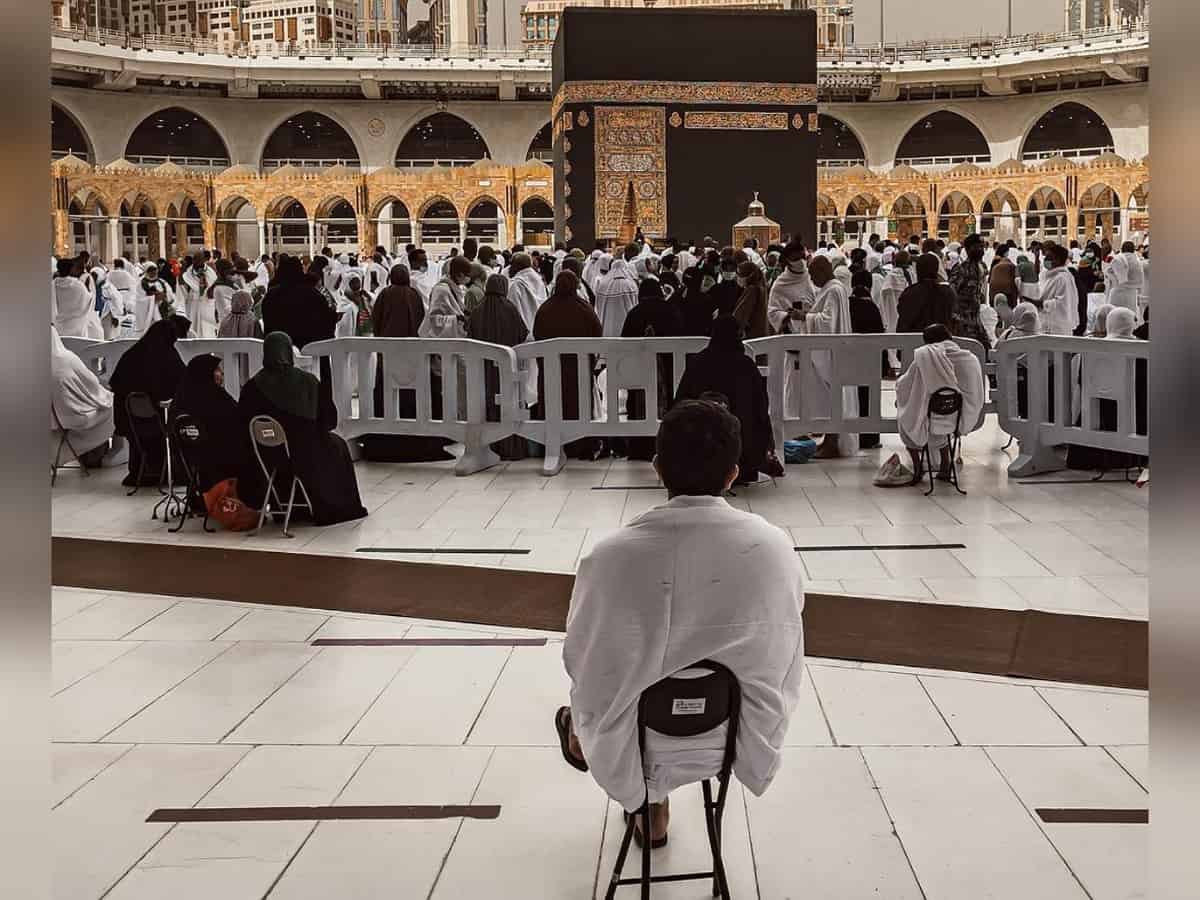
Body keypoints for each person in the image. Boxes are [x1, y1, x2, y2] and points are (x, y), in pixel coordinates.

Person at [555, 398, 805, 842]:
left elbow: (584, 660)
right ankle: (651, 796)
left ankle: (646, 805)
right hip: (734, 738)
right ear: (732, 474)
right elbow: (783, 654)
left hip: (636, 740)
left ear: (657, 468)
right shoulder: (774, 549)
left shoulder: (610, 557)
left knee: (597, 684)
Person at [238, 333, 367, 526]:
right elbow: (329, 420)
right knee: (337, 446)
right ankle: (333, 505)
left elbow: (243, 423)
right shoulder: (308, 382)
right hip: (306, 455)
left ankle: (288, 506)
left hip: (268, 457)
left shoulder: (252, 387)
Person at [674, 316, 774, 484]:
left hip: (698, 456)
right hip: (742, 458)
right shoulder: (746, 366)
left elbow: (680, 404)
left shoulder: (697, 363)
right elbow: (762, 409)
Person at [893, 324, 985, 485]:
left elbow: (905, 384)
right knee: (942, 418)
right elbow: (977, 391)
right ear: (950, 337)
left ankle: (918, 469)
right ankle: (945, 465)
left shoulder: (926, 356)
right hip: (960, 416)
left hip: (932, 416)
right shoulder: (969, 359)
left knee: (907, 418)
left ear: (928, 341)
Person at [532, 270, 604, 460]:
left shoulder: (545, 309)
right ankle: (578, 445)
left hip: (550, 370)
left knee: (553, 404)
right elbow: (597, 333)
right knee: (578, 405)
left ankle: (552, 444)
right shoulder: (584, 308)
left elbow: (537, 335)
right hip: (578, 370)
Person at [108, 318, 188, 487]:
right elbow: (183, 385)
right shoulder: (168, 357)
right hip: (159, 422)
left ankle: (140, 471)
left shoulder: (130, 356)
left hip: (131, 422)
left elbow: (115, 385)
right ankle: (174, 471)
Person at [1065, 308, 1147, 473]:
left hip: (1098, 416)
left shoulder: (1094, 349)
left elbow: (1083, 383)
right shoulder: (1142, 350)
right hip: (1134, 419)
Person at [467, 274, 531, 460]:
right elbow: (522, 334)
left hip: (484, 370)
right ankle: (511, 448)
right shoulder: (509, 309)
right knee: (510, 404)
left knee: (486, 405)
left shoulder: (478, 310)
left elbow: (470, 336)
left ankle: (489, 446)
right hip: (507, 368)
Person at [799, 255, 858, 459]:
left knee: (833, 396)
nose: (812, 279)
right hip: (832, 352)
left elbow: (827, 322)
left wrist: (804, 316)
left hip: (832, 352)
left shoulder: (833, 289)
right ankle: (828, 440)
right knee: (830, 397)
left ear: (823, 271)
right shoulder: (832, 288)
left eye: (813, 274)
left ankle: (833, 443)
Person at [170, 354, 252, 493]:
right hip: (218, 457)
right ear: (207, 373)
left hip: (190, 457)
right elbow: (237, 421)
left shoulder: (182, 397)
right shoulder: (216, 397)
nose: (222, 373)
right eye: (218, 370)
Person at [51, 325, 116, 469]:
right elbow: (92, 386)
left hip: (48, 419)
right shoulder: (67, 359)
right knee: (112, 405)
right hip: (72, 417)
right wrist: (106, 394)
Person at [261, 255, 339, 351]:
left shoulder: (271, 296)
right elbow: (326, 320)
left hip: (279, 350)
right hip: (311, 350)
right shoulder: (313, 294)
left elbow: (268, 325)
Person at [849, 270, 886, 449]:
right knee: (869, 399)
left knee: (852, 397)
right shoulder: (872, 308)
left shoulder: (848, 305)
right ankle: (870, 438)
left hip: (850, 359)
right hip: (870, 361)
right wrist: (884, 364)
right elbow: (880, 336)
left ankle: (852, 435)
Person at [947, 234, 991, 348]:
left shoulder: (982, 267)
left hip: (976, 317)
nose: (981, 250)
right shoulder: (961, 269)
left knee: (986, 349)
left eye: (982, 246)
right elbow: (951, 293)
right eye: (977, 246)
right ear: (968, 249)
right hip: (963, 320)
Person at [897, 253, 956, 334]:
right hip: (941, 339)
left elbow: (903, 324)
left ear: (918, 270)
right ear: (936, 270)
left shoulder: (909, 293)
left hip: (912, 339)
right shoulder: (947, 293)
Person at [418, 255, 472, 339]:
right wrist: (457, 319)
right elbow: (434, 320)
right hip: (436, 340)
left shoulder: (454, 288)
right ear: (460, 275)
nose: (469, 278)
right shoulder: (441, 290)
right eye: (468, 275)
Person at [1031, 242, 1079, 336]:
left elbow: (1063, 303)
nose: (1046, 260)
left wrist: (1042, 304)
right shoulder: (1050, 275)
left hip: (1058, 327)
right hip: (1048, 323)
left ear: (1057, 260)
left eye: (1049, 257)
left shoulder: (1063, 277)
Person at [767, 242, 815, 334]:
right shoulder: (780, 284)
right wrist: (789, 316)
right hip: (792, 334)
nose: (801, 261)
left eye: (803, 257)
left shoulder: (813, 276)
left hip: (814, 331)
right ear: (787, 261)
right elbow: (772, 312)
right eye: (796, 259)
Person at [595, 243, 640, 337]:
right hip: (627, 332)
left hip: (606, 331)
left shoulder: (603, 284)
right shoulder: (630, 284)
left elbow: (598, 307)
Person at [53, 258, 103, 339]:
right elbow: (88, 301)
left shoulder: (52, 284)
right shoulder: (78, 285)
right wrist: (89, 291)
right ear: (70, 269)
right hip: (76, 327)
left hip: (59, 326)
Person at [507, 252, 549, 333]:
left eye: (511, 265)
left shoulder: (515, 284)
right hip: (539, 329)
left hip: (523, 332)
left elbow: (512, 311)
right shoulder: (539, 280)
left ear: (516, 266)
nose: (509, 269)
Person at [732, 261, 769, 339]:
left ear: (749, 275)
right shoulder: (761, 287)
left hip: (751, 335)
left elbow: (741, 314)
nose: (737, 277)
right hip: (760, 334)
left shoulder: (752, 290)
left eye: (739, 274)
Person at [1106, 241, 1144, 313]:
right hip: (1131, 294)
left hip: (1117, 292)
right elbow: (1140, 280)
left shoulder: (1117, 259)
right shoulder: (1138, 262)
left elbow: (1108, 273)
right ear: (1133, 249)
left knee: (1114, 315)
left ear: (1122, 249)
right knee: (1129, 316)